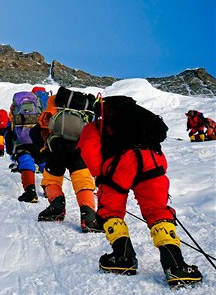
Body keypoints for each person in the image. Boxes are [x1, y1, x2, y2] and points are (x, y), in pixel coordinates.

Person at [77, 96, 202, 288]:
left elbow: (88, 148)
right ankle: (176, 266)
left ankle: (123, 257)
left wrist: (101, 175)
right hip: (152, 160)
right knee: (158, 210)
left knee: (110, 210)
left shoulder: (97, 125)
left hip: (119, 164)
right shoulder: (139, 117)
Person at [35, 89, 103, 233]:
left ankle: (57, 207)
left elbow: (38, 128)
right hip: (79, 149)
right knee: (83, 181)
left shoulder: (52, 103)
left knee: (51, 180)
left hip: (56, 148)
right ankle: (88, 216)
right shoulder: (86, 109)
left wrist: (43, 149)